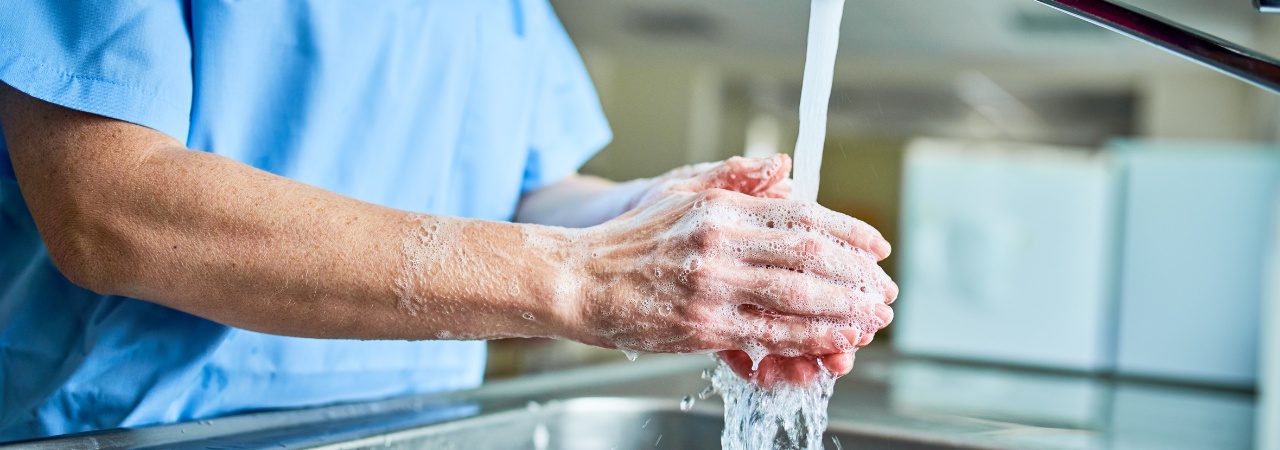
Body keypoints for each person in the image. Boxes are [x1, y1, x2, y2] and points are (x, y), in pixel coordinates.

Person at [0, 0, 896, 440]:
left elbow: (527, 195)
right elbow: (109, 208)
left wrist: (656, 220)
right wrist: (588, 276)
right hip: (142, 430)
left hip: (424, 430)